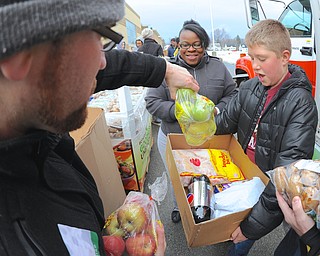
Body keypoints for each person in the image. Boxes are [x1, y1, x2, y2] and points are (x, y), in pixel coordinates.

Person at [0, 1, 200, 255]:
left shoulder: (30, 119)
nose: (103, 63)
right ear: (19, 53)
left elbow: (82, 67)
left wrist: (164, 69)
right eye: (98, 36)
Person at [213, 19, 318, 255]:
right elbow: (223, 124)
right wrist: (200, 118)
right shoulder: (250, 88)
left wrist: (250, 228)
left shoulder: (301, 104)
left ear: (284, 57)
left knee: (240, 244)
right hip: (242, 177)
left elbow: (283, 179)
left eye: (262, 59)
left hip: (267, 190)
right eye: (252, 58)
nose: (255, 66)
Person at [145, 19, 237, 223]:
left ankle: (206, 207)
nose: (191, 49)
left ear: (204, 45)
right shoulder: (167, 69)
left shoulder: (218, 67)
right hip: (173, 137)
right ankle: (180, 207)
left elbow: (231, 94)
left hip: (209, 139)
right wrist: (180, 111)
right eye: (185, 44)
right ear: (178, 45)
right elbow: (152, 102)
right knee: (178, 179)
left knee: (207, 177)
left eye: (197, 44)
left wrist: (217, 109)